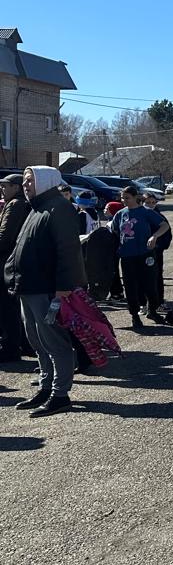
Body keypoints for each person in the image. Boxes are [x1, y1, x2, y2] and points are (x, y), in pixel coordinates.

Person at [4, 166, 86, 417]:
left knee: (54, 341)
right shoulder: (36, 206)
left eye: (30, 180)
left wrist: (62, 288)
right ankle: (45, 386)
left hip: (47, 289)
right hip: (28, 287)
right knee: (36, 340)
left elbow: (68, 251)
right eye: (25, 180)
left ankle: (60, 394)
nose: (26, 184)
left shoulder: (59, 208)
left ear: (46, 181)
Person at [110, 184, 170, 329]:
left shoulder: (146, 212)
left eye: (127, 198)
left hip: (145, 254)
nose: (124, 200)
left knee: (150, 284)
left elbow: (164, 225)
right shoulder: (120, 214)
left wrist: (154, 236)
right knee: (131, 286)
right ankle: (135, 316)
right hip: (127, 256)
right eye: (123, 198)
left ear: (136, 197)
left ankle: (153, 311)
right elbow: (114, 232)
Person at [0, 172, 31, 362]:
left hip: (6, 261)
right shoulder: (20, 204)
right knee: (16, 306)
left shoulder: (15, 205)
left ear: (17, 187)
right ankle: (25, 344)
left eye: (6, 185)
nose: (2, 188)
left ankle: (11, 346)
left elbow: (5, 237)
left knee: (6, 307)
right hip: (15, 262)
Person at [141, 191, 172, 309]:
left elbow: (167, 234)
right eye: (148, 202)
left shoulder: (160, 217)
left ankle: (159, 301)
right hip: (141, 252)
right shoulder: (140, 215)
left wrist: (159, 245)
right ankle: (143, 303)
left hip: (156, 252)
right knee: (142, 277)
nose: (151, 204)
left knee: (157, 276)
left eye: (153, 202)